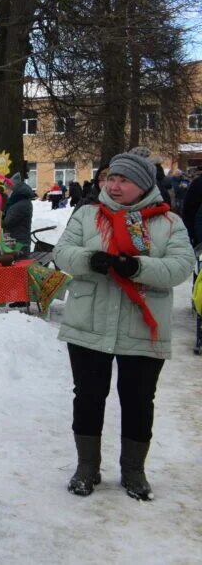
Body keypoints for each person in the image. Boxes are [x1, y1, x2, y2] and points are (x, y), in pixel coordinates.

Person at [53, 151, 193, 501]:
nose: (113, 186)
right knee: (87, 398)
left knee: (138, 401)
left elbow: (180, 266)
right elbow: (63, 252)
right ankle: (87, 467)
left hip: (141, 327)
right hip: (89, 324)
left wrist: (138, 268)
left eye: (123, 180)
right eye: (111, 178)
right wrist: (91, 259)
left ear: (143, 185)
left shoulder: (168, 223)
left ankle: (133, 471)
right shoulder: (88, 215)